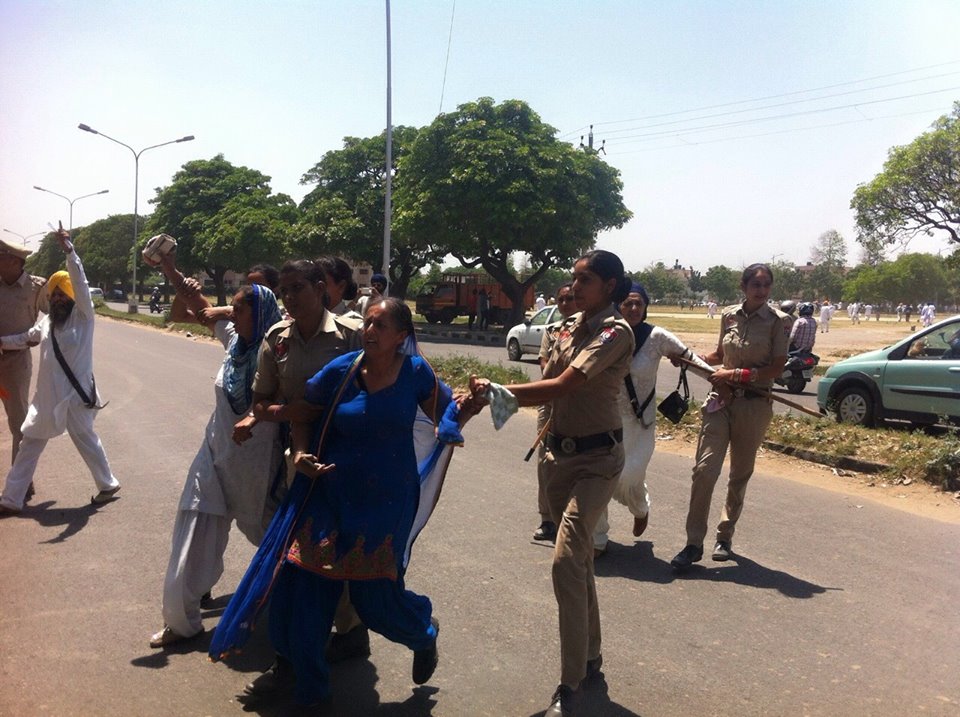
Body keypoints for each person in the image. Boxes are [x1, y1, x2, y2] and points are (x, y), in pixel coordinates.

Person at [209, 298, 476, 711]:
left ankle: (423, 633)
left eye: (381, 326)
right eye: (368, 322)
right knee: (305, 598)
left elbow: (446, 415)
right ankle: (313, 693)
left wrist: (468, 406)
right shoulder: (343, 370)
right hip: (328, 495)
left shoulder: (416, 373)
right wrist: (280, 434)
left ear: (401, 337)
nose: (370, 330)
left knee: (375, 604)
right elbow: (304, 413)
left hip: (385, 503)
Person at [470, 249, 634, 717]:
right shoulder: (563, 327)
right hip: (558, 458)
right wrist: (494, 396)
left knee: (565, 560)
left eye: (585, 280)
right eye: (575, 278)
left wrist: (495, 394)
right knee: (579, 562)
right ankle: (592, 654)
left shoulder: (613, 332)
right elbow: (546, 384)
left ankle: (571, 683)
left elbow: (565, 384)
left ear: (609, 286)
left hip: (598, 460)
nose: (575, 286)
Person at [229, 259, 365, 698]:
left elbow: (379, 391)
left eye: (298, 288)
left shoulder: (352, 335)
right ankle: (292, 657)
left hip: (348, 464)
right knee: (298, 560)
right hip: (299, 465)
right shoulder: (277, 340)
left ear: (321, 288)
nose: (289, 297)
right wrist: (288, 414)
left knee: (339, 552)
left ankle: (350, 629)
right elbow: (261, 402)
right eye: (284, 290)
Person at [146, 250, 283, 648]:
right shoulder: (235, 342)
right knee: (192, 527)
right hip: (214, 455)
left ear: (259, 314)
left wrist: (259, 418)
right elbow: (199, 307)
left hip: (259, 469)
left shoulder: (280, 351)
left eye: (239, 311)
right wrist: (171, 270)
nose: (229, 318)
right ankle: (181, 620)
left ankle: (314, 614)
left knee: (276, 546)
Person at [670, 263, 789, 571]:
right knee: (704, 470)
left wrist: (738, 374)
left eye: (766, 285)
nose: (761, 290)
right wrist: (688, 358)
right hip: (720, 402)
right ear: (744, 286)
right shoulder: (728, 316)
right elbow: (719, 357)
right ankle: (693, 543)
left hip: (754, 404)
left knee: (739, 474)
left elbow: (777, 367)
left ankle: (725, 535)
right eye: (756, 285)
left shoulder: (779, 321)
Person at [0, 226, 120, 516]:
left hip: (76, 398)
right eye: (52, 295)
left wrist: (70, 251)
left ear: (71, 296)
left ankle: (107, 483)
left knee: (86, 440)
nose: (56, 300)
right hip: (48, 399)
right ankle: (11, 499)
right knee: (30, 442)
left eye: (60, 295)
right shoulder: (48, 323)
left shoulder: (83, 317)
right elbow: (24, 337)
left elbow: (79, 282)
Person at [593, 283, 708, 557]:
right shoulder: (606, 334)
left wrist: (720, 379)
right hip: (605, 419)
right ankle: (597, 539)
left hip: (640, 424)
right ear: (618, 305)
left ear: (645, 307)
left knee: (628, 476)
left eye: (639, 304)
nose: (633, 309)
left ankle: (640, 507)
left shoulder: (657, 337)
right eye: (628, 303)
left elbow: (692, 359)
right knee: (597, 478)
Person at [532, 283, 577, 543]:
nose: (566, 303)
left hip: (581, 404)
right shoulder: (552, 332)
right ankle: (547, 518)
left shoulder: (591, 331)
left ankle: (571, 520)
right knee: (546, 462)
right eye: (561, 299)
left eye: (570, 298)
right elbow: (544, 366)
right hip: (550, 403)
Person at [0, 238, 47, 468]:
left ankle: (19, 480)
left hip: (14, 365)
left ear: (15, 261)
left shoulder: (36, 287)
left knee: (18, 421)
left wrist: (35, 336)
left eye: (1, 257)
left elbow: (54, 318)